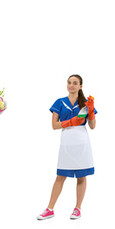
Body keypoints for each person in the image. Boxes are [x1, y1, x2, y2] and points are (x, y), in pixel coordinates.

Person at [37, 74, 98, 220]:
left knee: (82, 176)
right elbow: (54, 125)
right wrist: (71, 121)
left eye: (75, 83)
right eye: (69, 82)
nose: (71, 85)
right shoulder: (59, 102)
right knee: (60, 176)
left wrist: (91, 111)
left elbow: (93, 126)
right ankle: (50, 209)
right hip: (66, 143)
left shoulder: (85, 103)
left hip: (82, 143)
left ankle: (77, 208)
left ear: (80, 86)